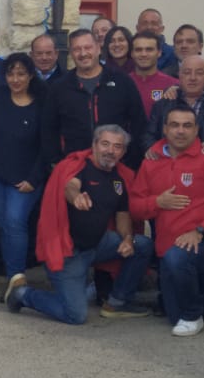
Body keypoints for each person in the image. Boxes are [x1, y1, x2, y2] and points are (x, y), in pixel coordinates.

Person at [8, 124, 152, 325]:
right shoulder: (77, 167)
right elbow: (70, 185)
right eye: (105, 144)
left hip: (98, 245)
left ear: (124, 151)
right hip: (68, 251)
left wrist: (127, 239)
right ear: (94, 145)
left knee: (142, 245)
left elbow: (122, 214)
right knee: (75, 315)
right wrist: (76, 197)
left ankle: (117, 302)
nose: (110, 150)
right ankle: (23, 294)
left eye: (117, 146)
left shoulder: (122, 177)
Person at [129, 104, 204, 337]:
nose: (180, 131)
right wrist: (157, 202)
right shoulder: (151, 161)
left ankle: (193, 316)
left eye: (187, 125)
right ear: (165, 129)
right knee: (173, 313)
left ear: (196, 130)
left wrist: (200, 231)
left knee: (179, 267)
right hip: (168, 248)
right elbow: (135, 207)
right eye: (174, 125)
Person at [42, 29, 147, 170]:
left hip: (116, 166)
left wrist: (130, 161)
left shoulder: (122, 81)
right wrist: (57, 162)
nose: (83, 53)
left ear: (98, 48)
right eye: (77, 49)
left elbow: (138, 124)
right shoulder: (59, 87)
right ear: (71, 53)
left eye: (88, 47)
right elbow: (49, 129)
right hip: (75, 168)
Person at [0, 53, 45, 291]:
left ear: (30, 76)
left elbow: (47, 145)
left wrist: (34, 178)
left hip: (26, 179)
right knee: (2, 224)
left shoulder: (41, 103)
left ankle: (17, 277)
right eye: (11, 74)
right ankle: (13, 278)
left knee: (15, 222)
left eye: (21, 74)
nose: (16, 79)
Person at [143, 56, 204, 160]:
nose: (192, 78)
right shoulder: (163, 104)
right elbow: (148, 135)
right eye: (187, 72)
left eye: (199, 73)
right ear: (179, 76)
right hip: (170, 164)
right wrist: (153, 148)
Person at [126, 32, 180, 113]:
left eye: (149, 49)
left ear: (159, 53)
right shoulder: (122, 83)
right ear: (132, 53)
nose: (143, 54)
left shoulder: (173, 85)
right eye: (138, 50)